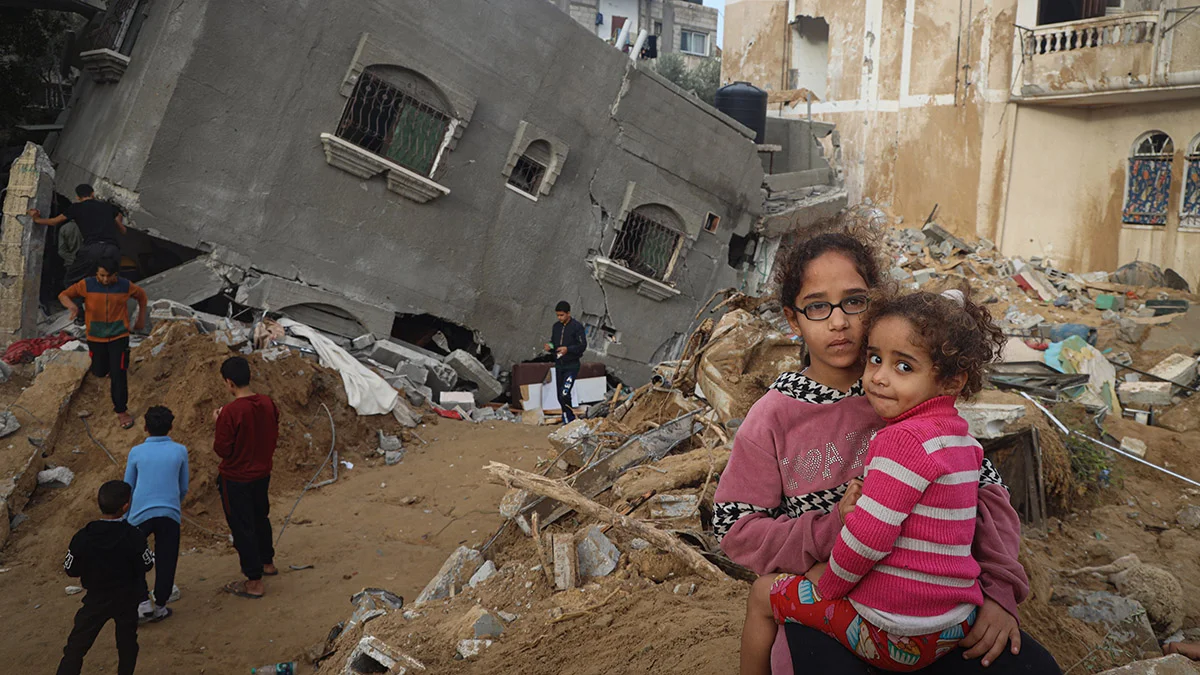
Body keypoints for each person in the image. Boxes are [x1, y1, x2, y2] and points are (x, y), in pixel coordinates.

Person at [713, 230, 1062, 675]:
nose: (838, 322)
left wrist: (999, 592)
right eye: (818, 306)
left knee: (1035, 668)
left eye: (854, 302)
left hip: (931, 611)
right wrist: (831, 528)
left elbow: (985, 497)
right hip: (834, 604)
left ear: (874, 306)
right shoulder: (774, 418)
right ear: (793, 319)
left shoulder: (908, 391)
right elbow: (736, 526)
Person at [740, 288, 1006, 673]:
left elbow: (868, 538)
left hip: (896, 636)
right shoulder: (964, 441)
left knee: (763, 594)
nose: (879, 377)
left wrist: (827, 584)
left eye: (904, 367)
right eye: (875, 358)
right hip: (955, 621)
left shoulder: (901, 440)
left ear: (951, 381)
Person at [56, 480, 154, 675]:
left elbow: (70, 569)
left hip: (96, 599)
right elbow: (147, 564)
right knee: (127, 644)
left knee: (76, 646)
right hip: (126, 598)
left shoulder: (82, 537)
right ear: (126, 506)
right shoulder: (134, 536)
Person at [213, 356, 280, 599]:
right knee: (260, 517)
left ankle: (254, 581)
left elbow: (223, 449)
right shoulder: (267, 403)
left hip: (236, 477)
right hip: (262, 472)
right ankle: (267, 562)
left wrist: (218, 421)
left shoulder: (230, 412)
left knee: (243, 526)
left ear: (229, 383)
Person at [58, 254, 148, 430]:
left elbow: (142, 296)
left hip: (119, 335)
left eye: (109, 275)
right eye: (101, 275)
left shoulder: (125, 286)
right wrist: (73, 306)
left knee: (119, 374)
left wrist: (141, 318)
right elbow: (63, 295)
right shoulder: (86, 285)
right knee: (99, 370)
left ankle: (121, 410)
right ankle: (108, 367)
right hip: (95, 336)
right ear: (96, 274)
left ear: (116, 274)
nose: (105, 279)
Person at [124, 405, 188, 623]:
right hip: (169, 513)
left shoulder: (136, 452)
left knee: (133, 558)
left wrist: (126, 516)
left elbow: (128, 486)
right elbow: (183, 486)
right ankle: (160, 605)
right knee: (166, 558)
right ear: (171, 427)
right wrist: (173, 504)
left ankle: (142, 603)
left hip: (139, 514)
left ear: (145, 427)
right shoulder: (180, 451)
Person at [28, 183, 127, 287]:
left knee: (71, 282)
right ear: (92, 193)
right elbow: (123, 230)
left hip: (92, 249)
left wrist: (36, 218)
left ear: (78, 197)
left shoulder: (76, 208)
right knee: (108, 282)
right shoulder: (108, 207)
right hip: (113, 249)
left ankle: (78, 303)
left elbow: (54, 221)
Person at [544, 300, 587, 423]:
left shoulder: (577, 327)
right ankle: (567, 417)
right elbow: (554, 343)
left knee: (564, 393)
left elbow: (582, 345)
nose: (559, 318)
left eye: (562, 315)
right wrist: (550, 346)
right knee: (559, 396)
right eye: (557, 315)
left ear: (568, 313)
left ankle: (570, 418)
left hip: (572, 366)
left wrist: (568, 349)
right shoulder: (556, 327)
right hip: (559, 365)